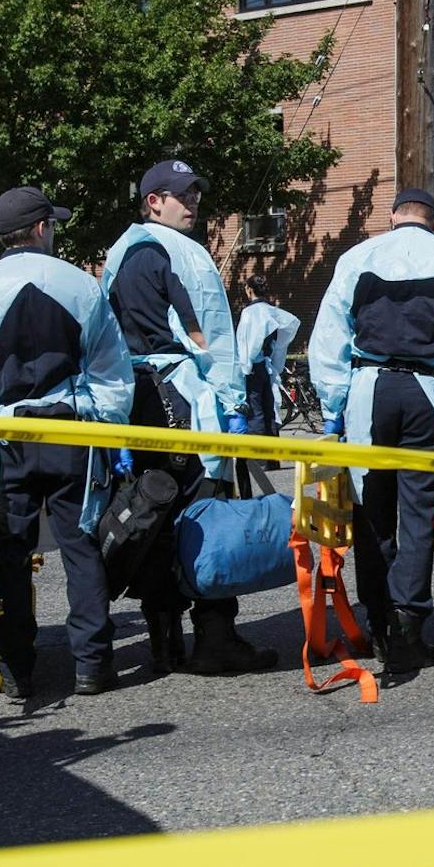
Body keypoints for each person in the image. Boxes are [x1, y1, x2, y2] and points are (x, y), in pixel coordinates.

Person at [0, 187, 135, 698]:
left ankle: (13, 668)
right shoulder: (80, 285)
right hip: (71, 429)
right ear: (43, 228)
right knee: (81, 543)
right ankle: (92, 663)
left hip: (4, 437)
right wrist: (107, 424)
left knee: (7, 552)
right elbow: (111, 370)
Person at [310, 188, 434, 671]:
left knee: (372, 512)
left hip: (368, 389)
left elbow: (330, 333)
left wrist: (332, 405)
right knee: (420, 512)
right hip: (426, 392)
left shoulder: (357, 257)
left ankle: (377, 623)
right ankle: (409, 623)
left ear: (393, 216)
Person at [100, 158, 273, 676]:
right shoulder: (186, 255)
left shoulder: (117, 253)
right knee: (205, 512)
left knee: (153, 510)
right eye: (182, 195)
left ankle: (162, 638)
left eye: (196, 194)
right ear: (154, 200)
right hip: (182, 392)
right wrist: (235, 401)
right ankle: (215, 637)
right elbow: (211, 336)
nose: (193, 202)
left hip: (137, 393)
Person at [236, 275, 301, 440]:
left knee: (255, 410)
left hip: (253, 367)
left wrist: (245, 366)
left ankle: (258, 461)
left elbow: (247, 342)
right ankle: (271, 458)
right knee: (269, 409)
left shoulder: (250, 312)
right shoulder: (273, 312)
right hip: (267, 365)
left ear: (249, 290)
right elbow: (290, 326)